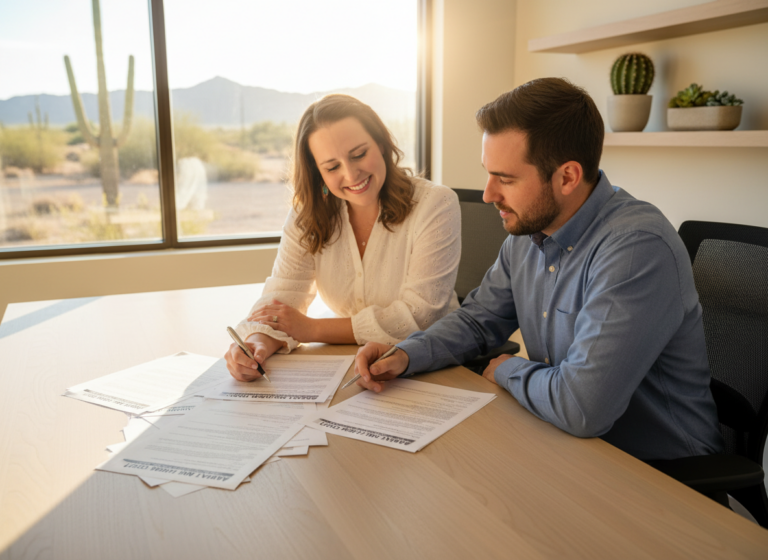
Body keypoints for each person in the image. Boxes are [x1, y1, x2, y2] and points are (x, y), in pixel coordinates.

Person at [353, 78, 724, 461]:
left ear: (567, 177)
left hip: (659, 471)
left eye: (506, 179)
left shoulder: (636, 248)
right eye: (489, 173)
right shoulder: (529, 234)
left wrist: (508, 369)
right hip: (567, 445)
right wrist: (406, 355)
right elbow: (478, 322)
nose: (488, 194)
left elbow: (582, 408)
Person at [225, 94, 461, 382]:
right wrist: (257, 344)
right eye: (332, 167)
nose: (351, 174)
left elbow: (420, 317)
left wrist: (312, 329)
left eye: (359, 154)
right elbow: (282, 299)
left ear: (381, 143)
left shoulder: (435, 203)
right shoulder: (308, 213)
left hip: (432, 364)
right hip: (351, 365)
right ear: (318, 173)